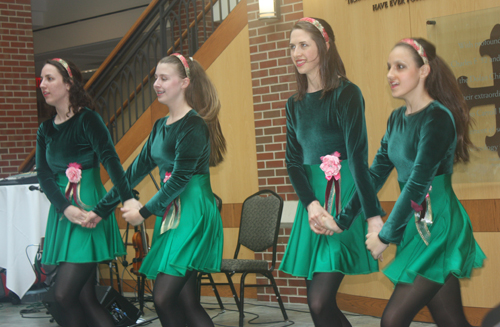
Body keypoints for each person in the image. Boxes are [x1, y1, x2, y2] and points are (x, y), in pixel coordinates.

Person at [322, 38, 486, 327]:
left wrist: (385, 235)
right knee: (450, 319)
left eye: (400, 66)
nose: (390, 74)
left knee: (393, 320)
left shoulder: (437, 118)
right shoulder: (397, 118)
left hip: (438, 225)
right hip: (418, 222)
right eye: (389, 67)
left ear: (423, 71)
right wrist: (343, 219)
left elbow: (417, 184)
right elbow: (373, 175)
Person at [89, 53, 226, 327]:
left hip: (194, 214)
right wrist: (100, 210)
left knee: (163, 298)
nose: (156, 84)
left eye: (164, 78)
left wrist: (143, 212)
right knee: (186, 302)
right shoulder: (160, 126)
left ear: (184, 82)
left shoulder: (194, 124)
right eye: (155, 78)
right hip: (172, 217)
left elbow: (179, 180)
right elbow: (132, 173)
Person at [278, 18, 385, 327]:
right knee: (317, 307)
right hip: (312, 205)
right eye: (292, 46)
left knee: (319, 301)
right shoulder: (293, 104)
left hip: (343, 198)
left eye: (303, 45)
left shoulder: (347, 94)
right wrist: (310, 203)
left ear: (324, 46)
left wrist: (365, 216)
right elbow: (293, 162)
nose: (296, 52)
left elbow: (359, 159)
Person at [36, 58, 139, 326]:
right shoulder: (45, 129)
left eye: (49, 78)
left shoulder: (88, 119)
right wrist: (64, 207)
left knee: (63, 295)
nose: (43, 84)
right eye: (42, 79)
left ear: (68, 83)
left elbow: (112, 162)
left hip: (87, 211)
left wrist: (127, 197)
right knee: (84, 298)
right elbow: (44, 176)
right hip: (64, 213)